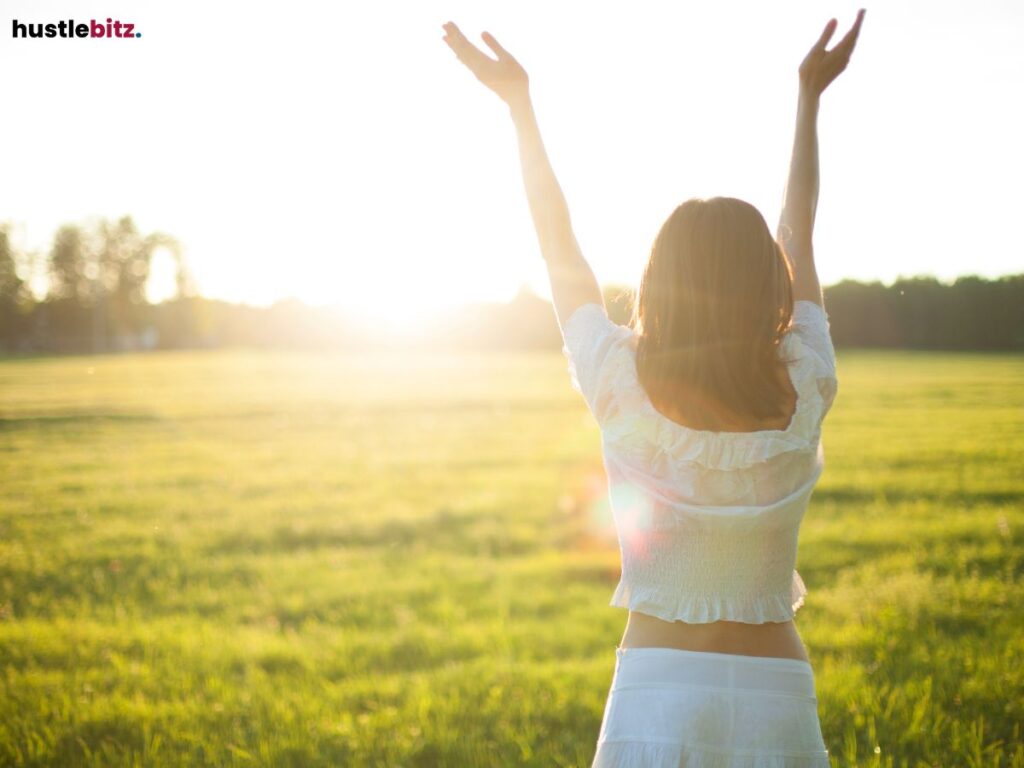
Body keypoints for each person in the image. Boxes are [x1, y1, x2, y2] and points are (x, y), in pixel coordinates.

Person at [443, 9, 865, 766]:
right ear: (768, 285)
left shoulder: (617, 380)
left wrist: (520, 107)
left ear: (657, 282)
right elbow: (800, 232)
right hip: (777, 696)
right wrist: (810, 99)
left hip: (656, 690)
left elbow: (559, 248)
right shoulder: (807, 381)